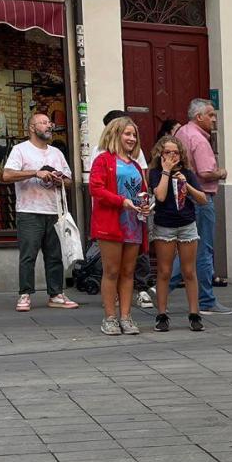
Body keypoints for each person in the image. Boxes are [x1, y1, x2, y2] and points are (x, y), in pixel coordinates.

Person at [1, 112, 79, 312]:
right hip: (28, 211)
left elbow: (70, 182)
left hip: (54, 210)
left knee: (54, 255)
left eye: (49, 122)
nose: (48, 126)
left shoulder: (56, 153)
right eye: (43, 123)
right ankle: (25, 294)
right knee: (28, 255)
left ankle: (56, 294)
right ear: (32, 128)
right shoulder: (20, 150)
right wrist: (36, 172)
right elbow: (7, 174)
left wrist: (58, 178)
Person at [88, 115, 151, 336]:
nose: (132, 138)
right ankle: (110, 317)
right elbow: (95, 189)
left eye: (134, 135)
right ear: (115, 134)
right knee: (112, 271)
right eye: (127, 134)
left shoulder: (135, 164)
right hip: (111, 224)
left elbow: (141, 192)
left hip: (133, 224)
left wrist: (145, 205)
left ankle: (126, 315)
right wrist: (121, 201)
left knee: (128, 271)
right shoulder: (103, 160)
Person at [173, 98, 232, 316]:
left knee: (187, 247)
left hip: (183, 196)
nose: (214, 119)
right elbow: (206, 172)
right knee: (203, 249)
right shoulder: (198, 139)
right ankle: (206, 300)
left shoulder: (182, 133)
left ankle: (159, 287)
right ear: (199, 117)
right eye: (211, 115)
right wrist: (222, 173)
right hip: (201, 198)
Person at [146, 135, 209, 333]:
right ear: (160, 154)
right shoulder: (156, 173)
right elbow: (161, 195)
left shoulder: (187, 173)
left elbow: (203, 199)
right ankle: (162, 314)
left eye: (175, 152)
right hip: (165, 225)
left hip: (187, 224)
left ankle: (194, 313)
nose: (172, 156)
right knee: (164, 271)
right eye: (167, 152)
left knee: (189, 271)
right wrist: (166, 172)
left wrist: (186, 184)